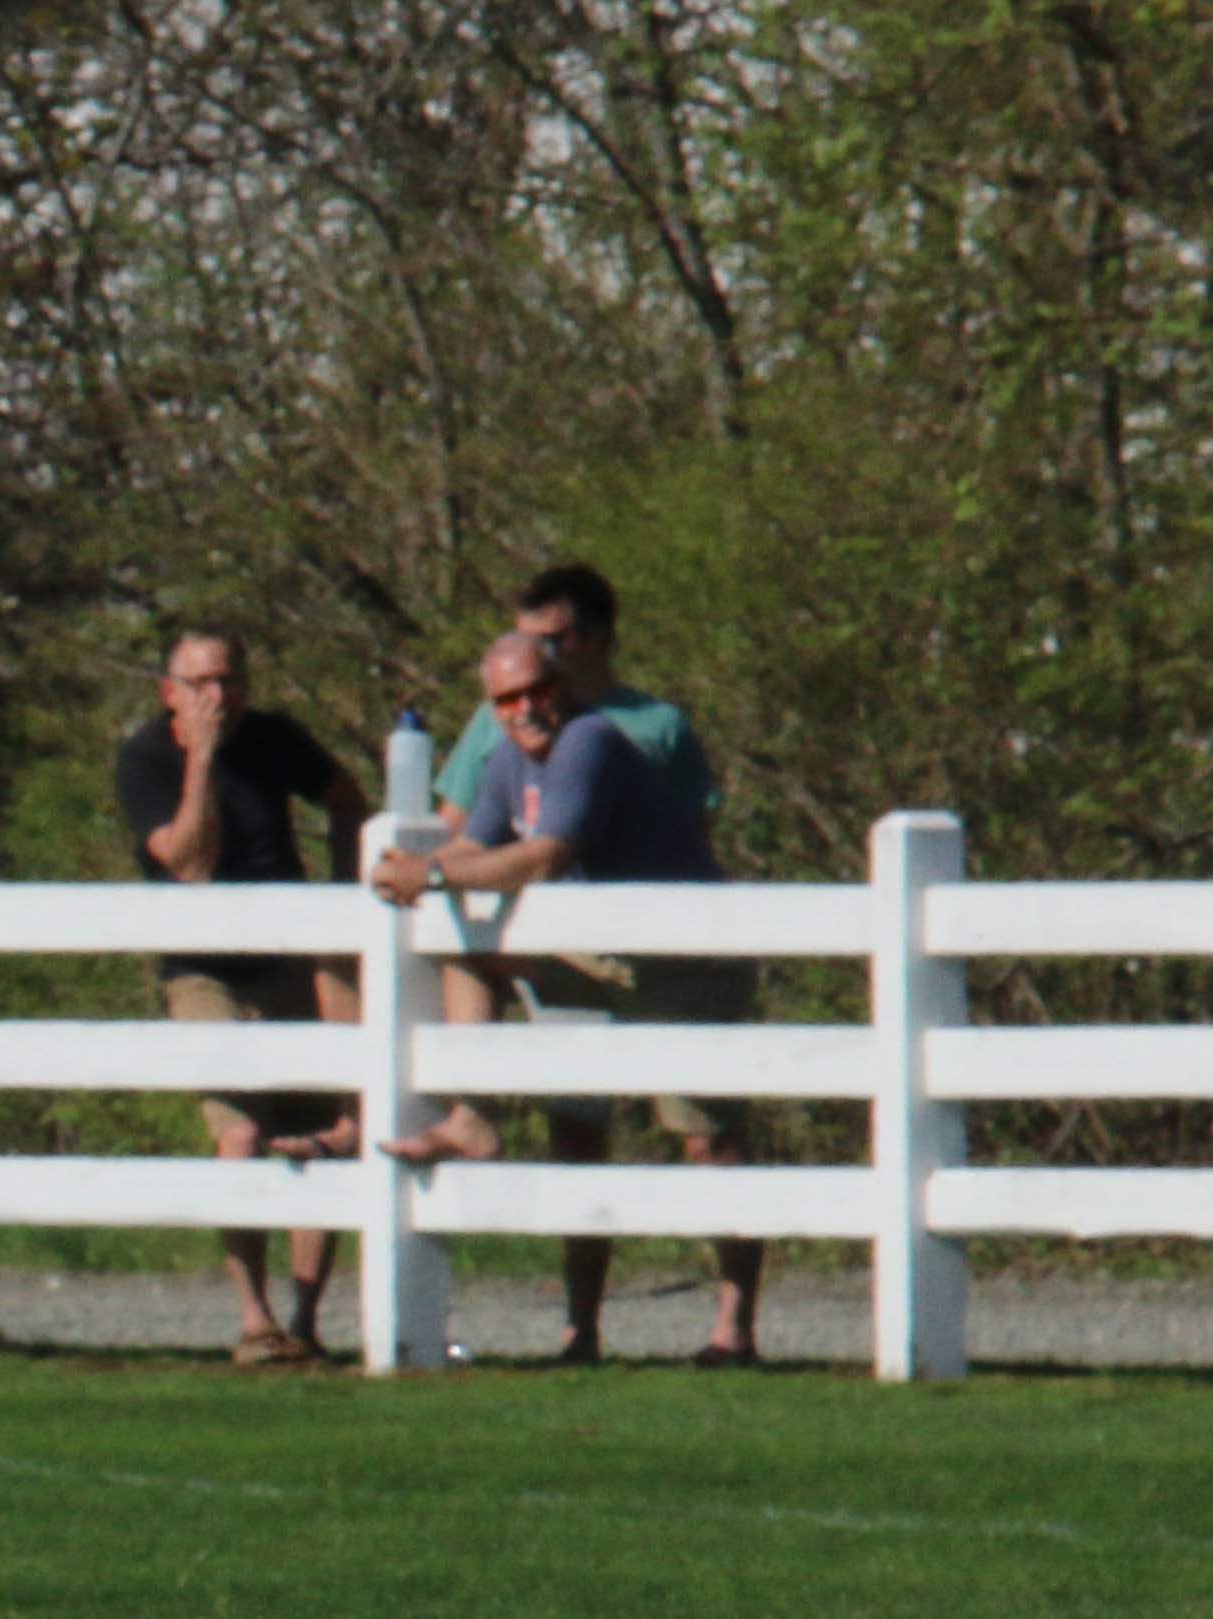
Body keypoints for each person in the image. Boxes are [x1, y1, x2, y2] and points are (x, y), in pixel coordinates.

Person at [368, 628, 767, 1364]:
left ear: (565, 685)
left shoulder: (590, 741)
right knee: (574, 1129)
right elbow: (473, 845)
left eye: (535, 690)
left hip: (681, 960)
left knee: (711, 1141)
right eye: (506, 699)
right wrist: (412, 866)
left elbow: (544, 857)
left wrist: (427, 878)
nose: (524, 709)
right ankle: (575, 1318)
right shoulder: (507, 757)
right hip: (592, 956)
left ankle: (733, 1327)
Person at [112, 629, 365, 1365]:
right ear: (169, 692)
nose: (217, 697)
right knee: (241, 1136)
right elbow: (187, 863)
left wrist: (346, 902)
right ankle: (254, 1319)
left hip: (286, 958)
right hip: (203, 968)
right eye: (199, 684)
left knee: (316, 1134)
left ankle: (307, 1320)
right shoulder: (146, 759)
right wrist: (201, 758)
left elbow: (348, 799)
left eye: (228, 680)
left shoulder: (276, 738)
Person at [432, 561, 710, 824]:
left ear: (597, 637)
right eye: (523, 639)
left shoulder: (660, 726)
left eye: (549, 640)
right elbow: (454, 827)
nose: (533, 652)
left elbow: (694, 848)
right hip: (514, 873)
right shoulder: (500, 713)